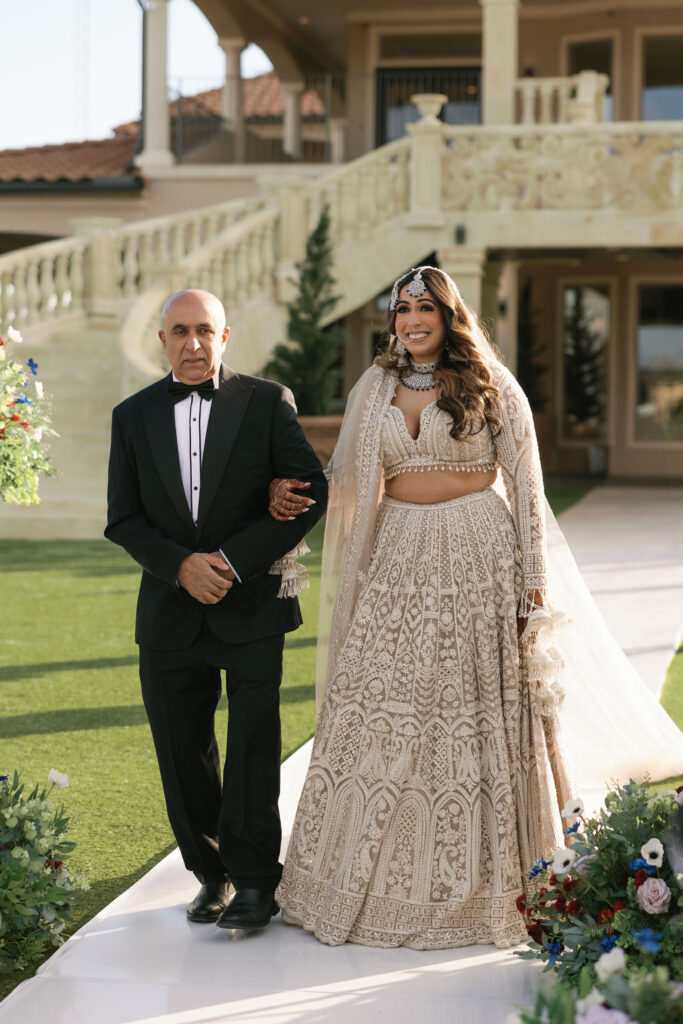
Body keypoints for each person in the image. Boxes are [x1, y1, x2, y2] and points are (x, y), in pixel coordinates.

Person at [272, 266, 683, 949]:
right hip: (398, 562)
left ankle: (488, 889)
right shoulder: (372, 388)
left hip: (479, 559)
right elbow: (345, 481)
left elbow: (525, 484)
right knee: (384, 712)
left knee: (473, 711)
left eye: (424, 307)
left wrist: (532, 586)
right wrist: (288, 495)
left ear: (447, 315)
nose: (411, 319)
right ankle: (353, 883)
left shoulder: (490, 382)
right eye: (400, 308)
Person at [105, 289, 327, 932]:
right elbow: (124, 518)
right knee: (182, 752)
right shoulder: (132, 415)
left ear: (226, 335)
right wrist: (181, 566)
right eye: (180, 331)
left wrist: (229, 561)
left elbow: (310, 494)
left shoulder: (266, 402)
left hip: (252, 604)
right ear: (162, 340)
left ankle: (258, 882)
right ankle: (212, 874)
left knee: (254, 745)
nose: (194, 344)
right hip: (169, 611)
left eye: (205, 330)